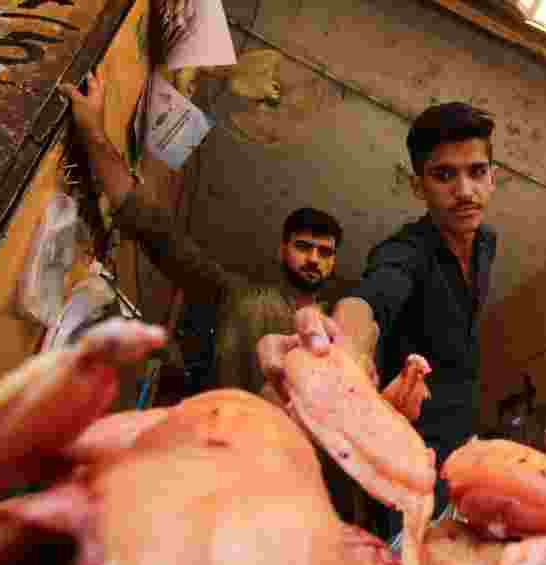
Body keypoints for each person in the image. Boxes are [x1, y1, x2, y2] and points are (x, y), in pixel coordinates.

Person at [59, 70, 373, 528]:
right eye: (304, 247)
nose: (313, 259)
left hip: (290, 511)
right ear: (282, 249)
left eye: (325, 253)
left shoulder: (341, 342)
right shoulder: (240, 299)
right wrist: (92, 130)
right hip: (210, 477)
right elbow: (153, 229)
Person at [260, 102, 498, 538]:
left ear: (492, 176)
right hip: (407, 453)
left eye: (477, 172)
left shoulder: (486, 244)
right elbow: (368, 301)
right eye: (444, 175)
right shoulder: (404, 252)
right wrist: (345, 351)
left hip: (462, 437)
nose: (465, 191)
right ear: (417, 186)